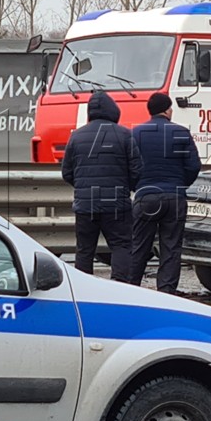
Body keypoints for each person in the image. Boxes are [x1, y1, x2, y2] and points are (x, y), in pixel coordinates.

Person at [60, 91, 141, 281]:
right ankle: (120, 288)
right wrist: (125, 188)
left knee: (84, 250)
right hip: (116, 204)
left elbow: (67, 172)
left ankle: (83, 290)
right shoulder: (124, 135)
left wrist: (83, 189)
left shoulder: (77, 136)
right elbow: (137, 170)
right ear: (114, 111)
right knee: (121, 245)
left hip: (85, 205)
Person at [130, 92, 202, 293]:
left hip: (146, 196)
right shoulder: (180, 132)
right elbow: (194, 166)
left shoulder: (136, 133)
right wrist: (179, 185)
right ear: (168, 110)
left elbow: (129, 166)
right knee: (171, 247)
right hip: (174, 197)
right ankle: (167, 292)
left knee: (139, 246)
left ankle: (131, 290)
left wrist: (138, 186)